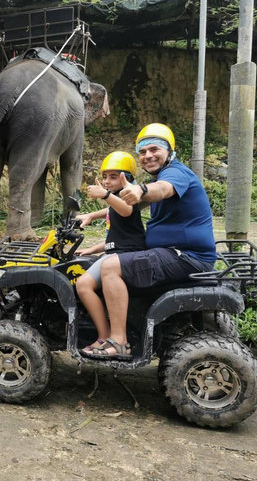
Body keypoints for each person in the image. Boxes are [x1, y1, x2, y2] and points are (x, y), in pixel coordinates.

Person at [78, 123, 217, 360]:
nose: (148, 156)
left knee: (112, 266)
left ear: (169, 151)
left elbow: (161, 190)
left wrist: (141, 189)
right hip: (174, 254)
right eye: (142, 152)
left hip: (184, 257)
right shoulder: (165, 173)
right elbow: (128, 206)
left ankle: (118, 342)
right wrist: (92, 214)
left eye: (154, 149)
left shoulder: (175, 173)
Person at [74, 152, 146, 357]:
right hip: (116, 252)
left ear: (128, 178)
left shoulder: (128, 197)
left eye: (114, 177)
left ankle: (105, 338)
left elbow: (125, 210)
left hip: (125, 256)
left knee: (83, 284)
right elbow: (111, 217)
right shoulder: (116, 201)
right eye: (105, 176)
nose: (107, 181)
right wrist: (92, 247)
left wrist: (104, 194)